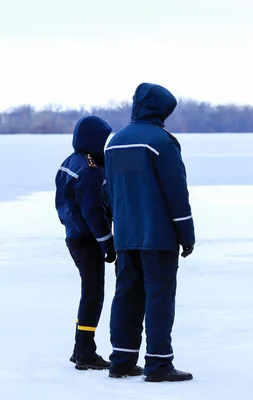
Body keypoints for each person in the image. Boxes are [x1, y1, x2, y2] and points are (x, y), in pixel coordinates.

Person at [104, 82, 195, 382]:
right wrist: (187, 234)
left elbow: (109, 193)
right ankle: (158, 363)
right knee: (158, 298)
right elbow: (175, 193)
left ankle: (121, 359)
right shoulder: (161, 142)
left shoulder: (114, 142)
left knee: (126, 295)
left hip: (126, 235)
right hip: (158, 237)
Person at [54, 115, 117, 371]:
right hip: (87, 239)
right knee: (93, 294)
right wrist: (107, 244)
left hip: (74, 236)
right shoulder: (89, 170)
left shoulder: (70, 162)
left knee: (89, 292)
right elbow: (93, 211)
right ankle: (86, 353)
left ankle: (79, 349)